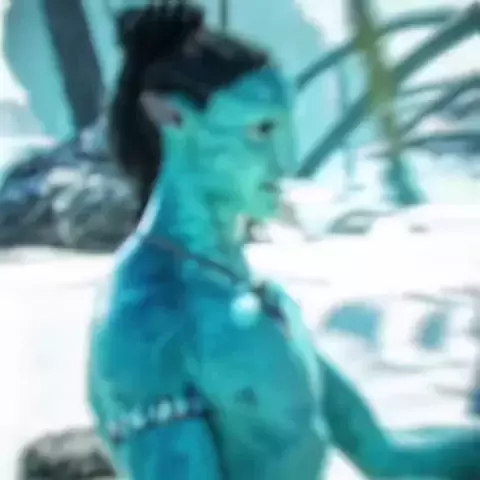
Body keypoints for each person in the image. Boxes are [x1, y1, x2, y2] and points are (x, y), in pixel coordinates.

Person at [87, 3, 480, 479]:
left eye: (287, 128)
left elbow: (390, 460)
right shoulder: (150, 320)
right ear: (173, 117)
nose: (286, 161)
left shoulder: (245, 294)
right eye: (261, 131)